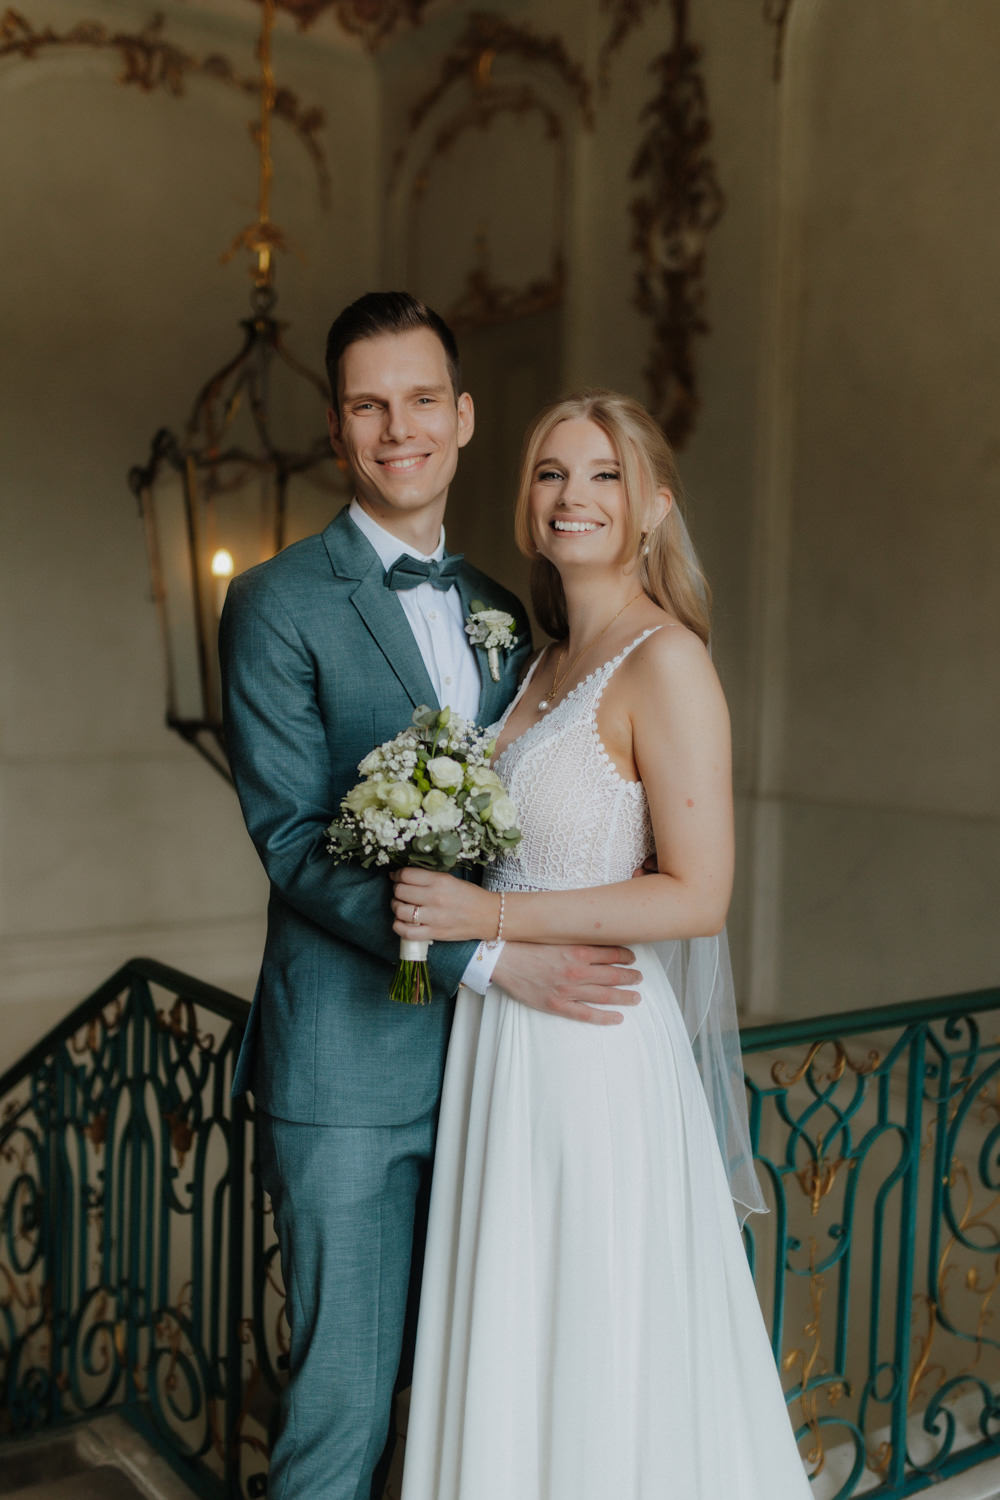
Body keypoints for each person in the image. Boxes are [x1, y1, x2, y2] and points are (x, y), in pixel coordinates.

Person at [219, 296, 642, 1500]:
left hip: (503, 1076)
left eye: (419, 400)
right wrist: (482, 958)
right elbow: (295, 842)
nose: (395, 427)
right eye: (366, 404)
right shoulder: (277, 602)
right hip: (347, 1076)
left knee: (474, 1401)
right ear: (338, 428)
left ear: (461, 419)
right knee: (341, 1410)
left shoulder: (513, 604)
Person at [390, 390, 814, 1499]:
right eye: (548, 475)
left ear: (653, 506)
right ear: (527, 507)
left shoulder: (664, 661)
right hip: (498, 1044)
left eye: (602, 476)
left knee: (589, 1323)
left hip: (590, 1043)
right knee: (512, 1318)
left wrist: (491, 918)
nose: (572, 497)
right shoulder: (538, 666)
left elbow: (698, 893)